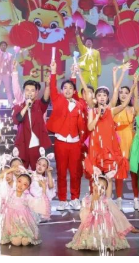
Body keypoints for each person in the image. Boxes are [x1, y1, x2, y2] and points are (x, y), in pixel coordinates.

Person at [79, 68, 131, 208]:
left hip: (108, 148)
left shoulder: (111, 110)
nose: (102, 97)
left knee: (109, 177)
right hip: (96, 148)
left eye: (104, 95)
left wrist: (122, 75)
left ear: (107, 98)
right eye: (99, 95)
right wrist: (97, 116)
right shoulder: (92, 111)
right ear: (95, 98)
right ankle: (95, 203)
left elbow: (119, 95)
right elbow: (90, 127)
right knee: (95, 177)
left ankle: (108, 204)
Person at [45, 60, 87, 211]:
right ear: (61, 90)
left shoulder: (79, 104)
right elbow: (52, 87)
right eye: (65, 88)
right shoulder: (58, 100)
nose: (68, 90)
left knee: (75, 173)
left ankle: (75, 198)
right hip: (61, 142)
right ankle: (62, 200)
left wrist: (74, 75)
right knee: (61, 172)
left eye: (71, 88)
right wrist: (53, 72)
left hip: (75, 143)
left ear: (74, 91)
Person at [66, 174, 133, 252]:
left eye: (102, 188)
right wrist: (95, 198)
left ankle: (105, 242)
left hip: (105, 225)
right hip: (91, 225)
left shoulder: (106, 200)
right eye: (97, 185)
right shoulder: (86, 199)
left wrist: (127, 226)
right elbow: (87, 212)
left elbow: (117, 212)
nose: (99, 189)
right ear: (93, 185)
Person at [11, 62, 52, 169]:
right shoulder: (20, 105)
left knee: (38, 172)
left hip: (37, 143)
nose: (30, 92)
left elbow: (45, 99)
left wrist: (48, 86)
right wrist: (26, 106)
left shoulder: (39, 105)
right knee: (21, 171)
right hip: (23, 143)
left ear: (37, 92)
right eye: (27, 90)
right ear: (24, 91)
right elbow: (17, 119)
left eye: (33, 90)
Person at [112, 65, 139, 209]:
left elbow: (136, 98)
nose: (123, 94)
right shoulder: (114, 109)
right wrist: (115, 74)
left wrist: (135, 83)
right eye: (121, 92)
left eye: (126, 92)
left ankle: (136, 198)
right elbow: (115, 89)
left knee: (134, 171)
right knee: (119, 171)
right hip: (117, 140)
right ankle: (118, 198)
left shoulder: (132, 109)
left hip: (131, 139)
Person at [0, 173, 46, 246]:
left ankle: (25, 235)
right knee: (16, 242)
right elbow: (0, 180)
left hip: (22, 223)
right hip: (11, 222)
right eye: (19, 181)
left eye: (25, 184)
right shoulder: (10, 192)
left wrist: (44, 188)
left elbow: (38, 203)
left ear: (27, 187)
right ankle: (15, 236)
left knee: (25, 242)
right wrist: (11, 170)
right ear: (16, 181)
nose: (21, 185)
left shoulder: (27, 197)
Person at [0, 40, 15, 106]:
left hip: (6, 74)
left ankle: (11, 103)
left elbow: (11, 65)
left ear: (6, 47)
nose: (3, 46)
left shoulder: (9, 55)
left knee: (8, 89)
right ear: (0, 46)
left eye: (4, 45)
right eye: (2, 45)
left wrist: (11, 74)